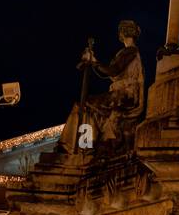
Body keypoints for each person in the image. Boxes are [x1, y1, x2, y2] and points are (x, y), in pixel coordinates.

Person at [58, 20, 145, 153]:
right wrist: (94, 63)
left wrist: (94, 61)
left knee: (86, 104)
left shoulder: (130, 51)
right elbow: (110, 72)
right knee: (88, 106)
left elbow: (113, 70)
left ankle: (83, 144)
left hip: (125, 94)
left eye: (121, 30)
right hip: (122, 93)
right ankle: (86, 143)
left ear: (123, 32)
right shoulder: (127, 52)